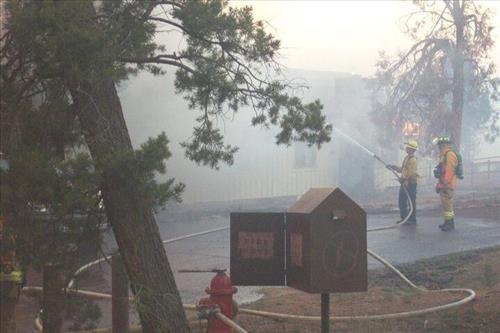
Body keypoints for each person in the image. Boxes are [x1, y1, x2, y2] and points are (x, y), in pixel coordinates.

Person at [387, 140, 418, 225]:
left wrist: (403, 178)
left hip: (410, 184)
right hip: (404, 183)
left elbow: (411, 173)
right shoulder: (406, 158)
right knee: (402, 201)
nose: (406, 148)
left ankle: (412, 219)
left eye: (408, 147)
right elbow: (402, 169)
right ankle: (404, 218)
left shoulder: (413, 160)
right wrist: (393, 167)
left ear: (411, 149)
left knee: (411, 201)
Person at [433, 136, 458, 231]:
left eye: (440, 145)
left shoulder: (449, 155)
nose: (438, 147)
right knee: (446, 204)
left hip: (447, 184)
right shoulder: (444, 155)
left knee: (448, 204)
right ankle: (448, 222)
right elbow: (442, 169)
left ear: (444, 145)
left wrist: (445, 183)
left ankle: (450, 224)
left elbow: (450, 171)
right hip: (444, 183)